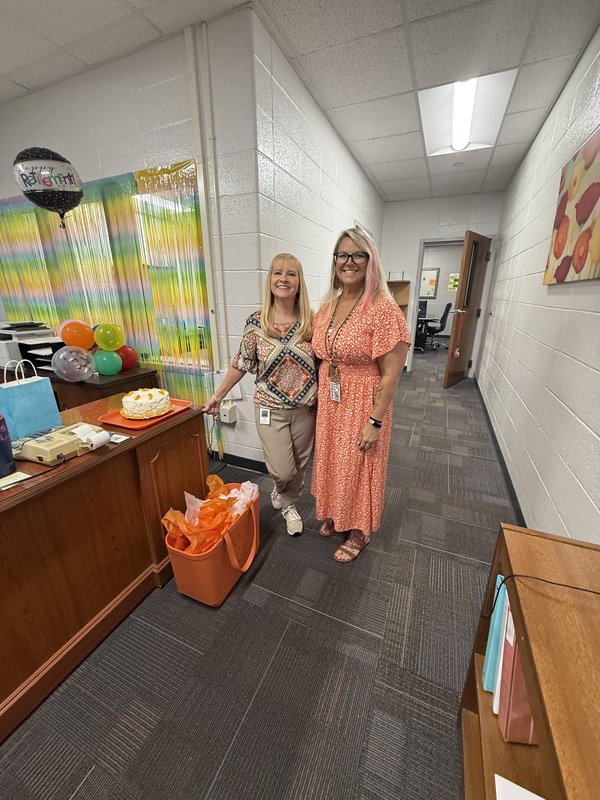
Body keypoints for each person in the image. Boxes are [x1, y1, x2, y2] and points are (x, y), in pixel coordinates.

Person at [311, 227, 411, 562]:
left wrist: (375, 421)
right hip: (332, 399)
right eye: (343, 254)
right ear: (335, 261)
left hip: (363, 400)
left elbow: (392, 374)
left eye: (358, 255)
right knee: (334, 462)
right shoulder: (329, 305)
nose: (349, 261)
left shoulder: (383, 309)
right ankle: (338, 514)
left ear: (370, 261)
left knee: (359, 464)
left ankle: (359, 531)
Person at [202, 253, 317, 536]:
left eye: (291, 273)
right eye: (278, 273)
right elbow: (240, 364)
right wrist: (218, 395)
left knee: (300, 465)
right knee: (282, 470)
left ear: (299, 281)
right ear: (270, 280)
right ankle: (281, 490)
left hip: (306, 408)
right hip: (269, 407)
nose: (284, 279)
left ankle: (289, 505)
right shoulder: (257, 322)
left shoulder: (312, 322)